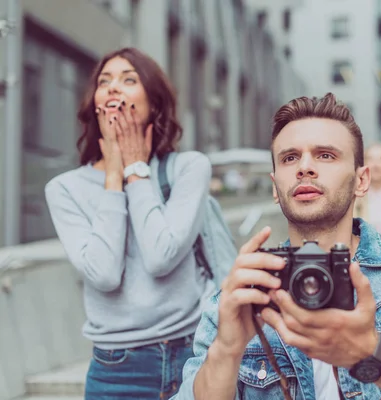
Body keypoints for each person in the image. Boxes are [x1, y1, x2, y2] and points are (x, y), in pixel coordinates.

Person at [172, 93, 381, 400]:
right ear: (275, 187)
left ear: (362, 180)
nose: (305, 167)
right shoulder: (241, 297)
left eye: (325, 155)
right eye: (290, 158)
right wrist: (227, 350)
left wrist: (375, 356)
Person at [45, 47, 214, 399]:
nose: (113, 88)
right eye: (104, 82)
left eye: (129, 79)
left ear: (154, 103)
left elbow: (160, 255)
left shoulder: (188, 168)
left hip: (193, 356)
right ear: (95, 104)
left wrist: (136, 172)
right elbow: (104, 274)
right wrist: (113, 179)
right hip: (116, 370)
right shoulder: (64, 189)